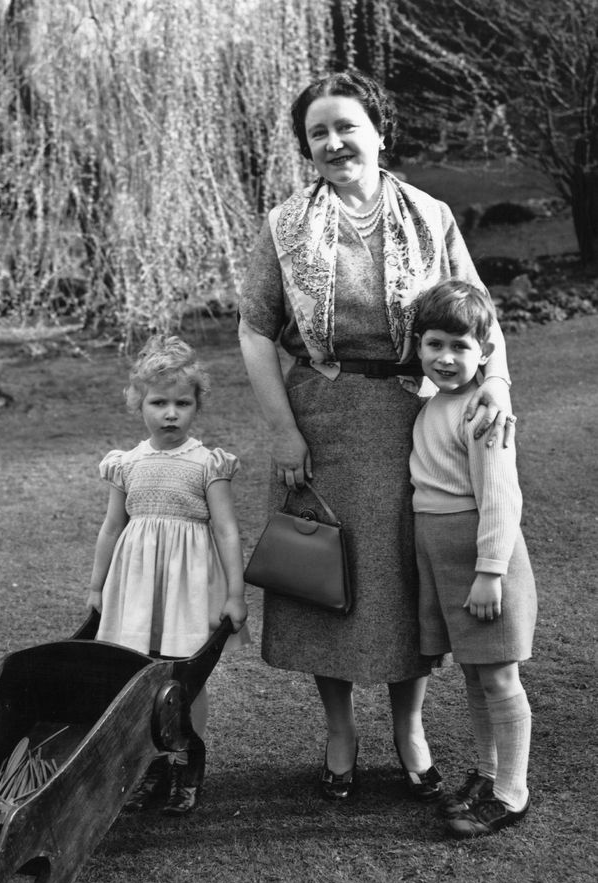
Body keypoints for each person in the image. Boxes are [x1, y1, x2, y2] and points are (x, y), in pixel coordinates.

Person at [238, 69, 516, 802]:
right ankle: (337, 732)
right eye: (317, 133)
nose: (333, 142)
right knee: (321, 577)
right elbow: (254, 328)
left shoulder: (428, 214)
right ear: (306, 147)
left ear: (377, 131)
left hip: (411, 423)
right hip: (317, 425)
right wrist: (281, 430)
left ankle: (409, 728)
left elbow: (477, 313)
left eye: (345, 126)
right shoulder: (284, 224)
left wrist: (495, 383)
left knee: (399, 581)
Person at [87, 336, 249, 814]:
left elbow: (227, 530)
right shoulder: (127, 463)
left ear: (197, 405)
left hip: (190, 587)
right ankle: (152, 762)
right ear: (139, 403)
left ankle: (185, 762)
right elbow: (112, 528)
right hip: (137, 586)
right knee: (141, 677)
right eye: (159, 403)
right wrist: (97, 587)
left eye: (182, 402)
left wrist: (236, 594)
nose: (171, 413)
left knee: (185, 678)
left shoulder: (208, 464)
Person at [410, 279, 536, 837]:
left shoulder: (485, 414)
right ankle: (488, 774)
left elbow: (502, 499)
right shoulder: (434, 404)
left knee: (501, 677)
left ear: (485, 352)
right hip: (443, 554)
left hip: (483, 560)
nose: (446, 357)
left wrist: (490, 573)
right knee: (476, 674)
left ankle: (511, 793)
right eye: (435, 343)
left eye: (461, 347)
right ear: (419, 348)